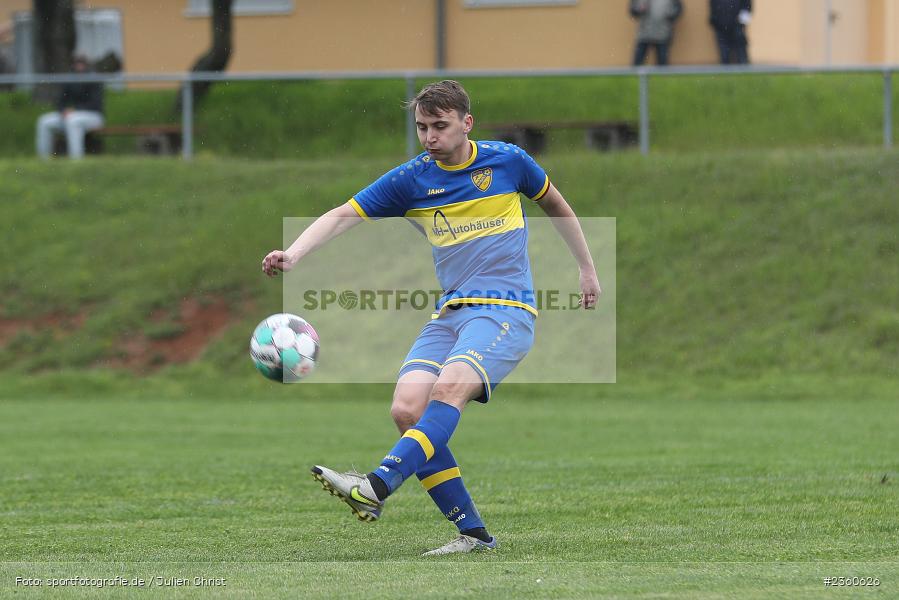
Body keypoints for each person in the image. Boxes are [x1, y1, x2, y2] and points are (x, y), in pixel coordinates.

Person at [261, 80, 601, 556]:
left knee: (448, 390)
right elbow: (343, 214)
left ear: (467, 123)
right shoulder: (412, 179)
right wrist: (294, 254)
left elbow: (557, 206)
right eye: (421, 127)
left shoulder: (508, 161)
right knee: (407, 410)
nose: (429, 137)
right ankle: (474, 534)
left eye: (439, 126)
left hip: (505, 309)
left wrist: (586, 269)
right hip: (451, 314)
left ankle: (374, 487)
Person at [36, 56, 105, 159]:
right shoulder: (70, 80)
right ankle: (43, 159)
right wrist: (63, 110)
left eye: (82, 63)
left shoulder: (93, 79)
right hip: (71, 116)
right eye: (77, 63)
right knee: (44, 121)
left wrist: (75, 110)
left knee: (72, 121)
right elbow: (60, 101)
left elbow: (95, 104)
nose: (79, 66)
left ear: (86, 65)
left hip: (94, 117)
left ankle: (76, 160)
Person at [630, 0, 683, 67]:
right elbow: (632, 9)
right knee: (637, 62)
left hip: (663, 33)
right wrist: (639, 9)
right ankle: (635, 76)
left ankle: (663, 76)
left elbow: (678, 9)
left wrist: (669, 14)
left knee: (662, 63)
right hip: (644, 33)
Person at [709, 0, 752, 65]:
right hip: (720, 25)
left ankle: (744, 67)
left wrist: (741, 22)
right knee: (724, 54)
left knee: (740, 52)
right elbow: (713, 5)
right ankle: (725, 70)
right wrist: (715, 20)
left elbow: (747, 6)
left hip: (737, 25)